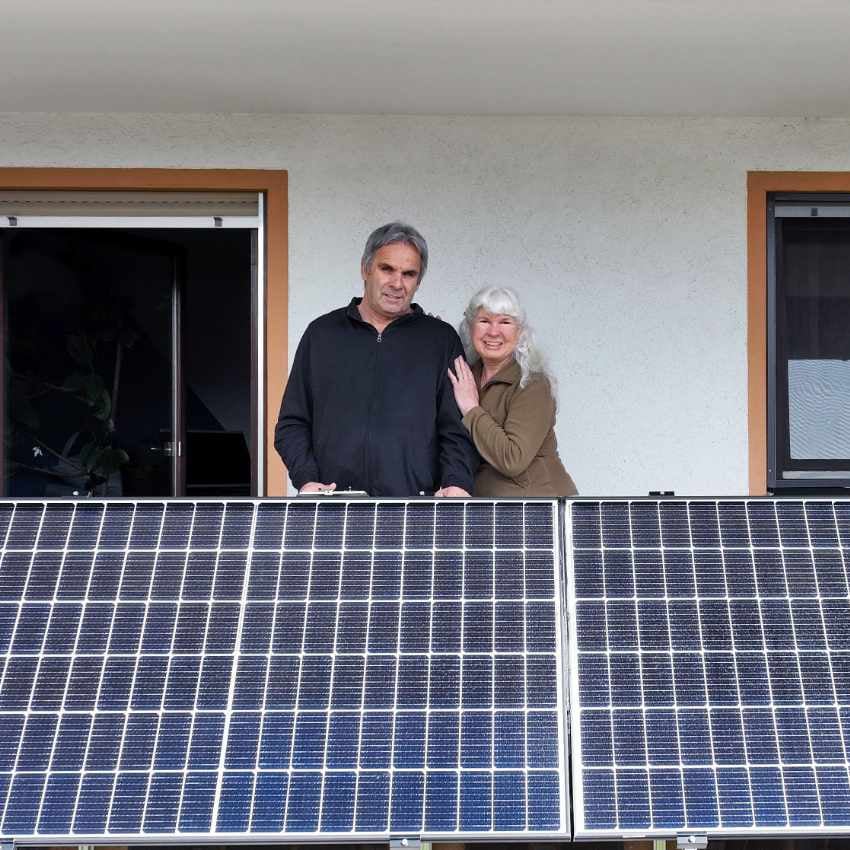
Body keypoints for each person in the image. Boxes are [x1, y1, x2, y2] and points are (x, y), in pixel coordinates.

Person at [275, 222, 477, 497]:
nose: (397, 283)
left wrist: (456, 482)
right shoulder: (322, 334)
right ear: (365, 269)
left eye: (409, 274)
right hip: (333, 507)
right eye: (387, 269)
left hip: (413, 510)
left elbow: (456, 428)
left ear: (418, 281)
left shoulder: (440, 340)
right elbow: (292, 424)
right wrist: (307, 480)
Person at [448, 285, 577, 497]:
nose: (493, 332)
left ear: (520, 332)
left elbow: (513, 458)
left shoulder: (533, 384)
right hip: (489, 510)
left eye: (505, 322)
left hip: (540, 510)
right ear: (470, 327)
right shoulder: (466, 377)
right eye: (484, 321)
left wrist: (471, 409)